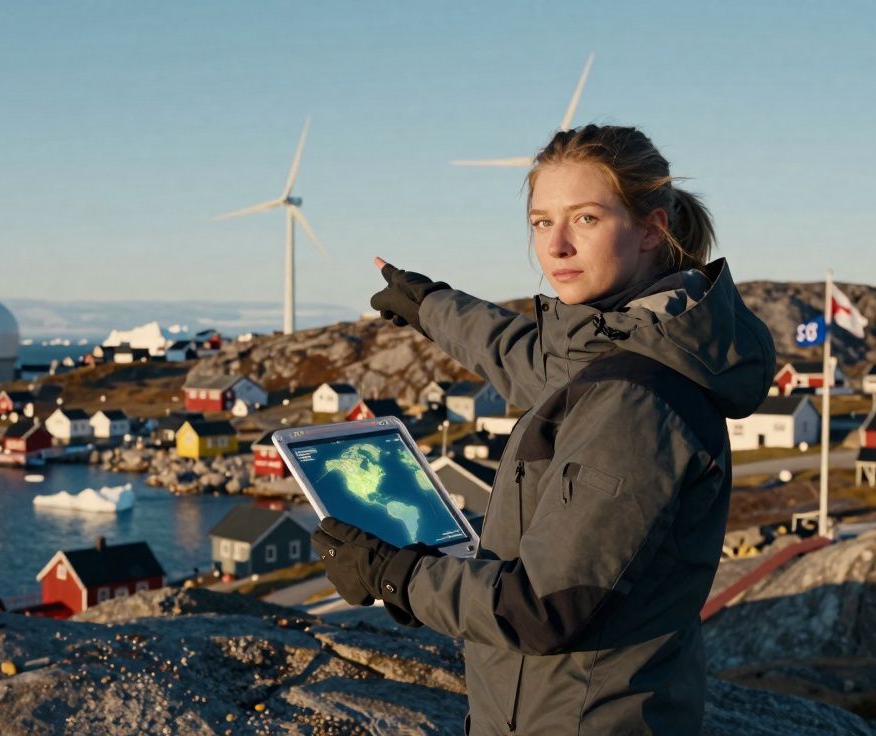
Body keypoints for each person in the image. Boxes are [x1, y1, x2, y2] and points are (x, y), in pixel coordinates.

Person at [311, 124, 776, 734]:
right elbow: (529, 360)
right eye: (539, 221)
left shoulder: (636, 404)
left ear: (650, 229)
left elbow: (545, 608)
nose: (555, 246)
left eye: (584, 219)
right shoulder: (625, 344)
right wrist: (432, 306)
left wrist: (395, 576)